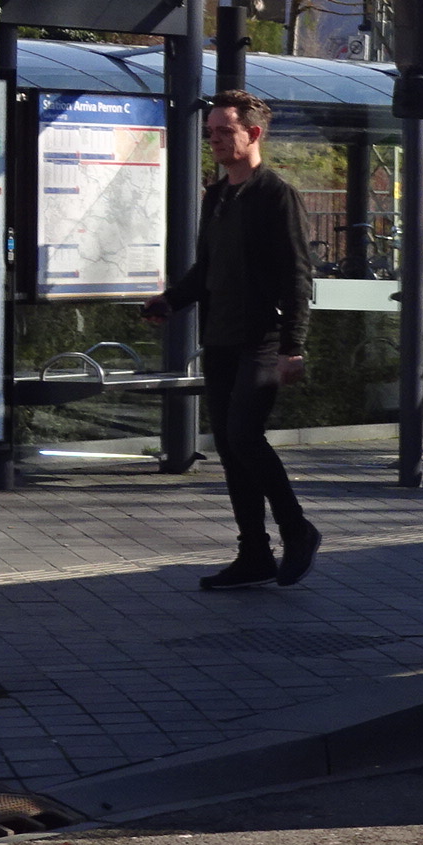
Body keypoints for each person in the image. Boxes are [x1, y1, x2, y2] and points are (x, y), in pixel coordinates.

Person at [142, 89, 320, 590]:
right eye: (211, 132)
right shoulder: (218, 196)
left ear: (253, 133)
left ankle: (297, 530)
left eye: (225, 131)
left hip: (263, 338)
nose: (215, 140)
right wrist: (170, 301)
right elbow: (207, 270)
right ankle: (254, 553)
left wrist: (293, 347)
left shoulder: (277, 195)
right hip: (220, 338)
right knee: (228, 444)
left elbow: (297, 276)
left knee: (244, 435)